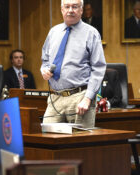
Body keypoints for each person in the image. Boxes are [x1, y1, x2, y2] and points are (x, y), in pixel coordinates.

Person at [40, 0, 106, 128]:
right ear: (62, 9)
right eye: (67, 6)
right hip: (55, 98)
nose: (70, 10)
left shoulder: (91, 33)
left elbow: (98, 68)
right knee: (47, 139)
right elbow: (45, 60)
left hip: (80, 97)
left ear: (81, 10)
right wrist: (44, 70)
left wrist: (88, 98)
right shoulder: (53, 32)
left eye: (75, 7)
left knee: (79, 144)